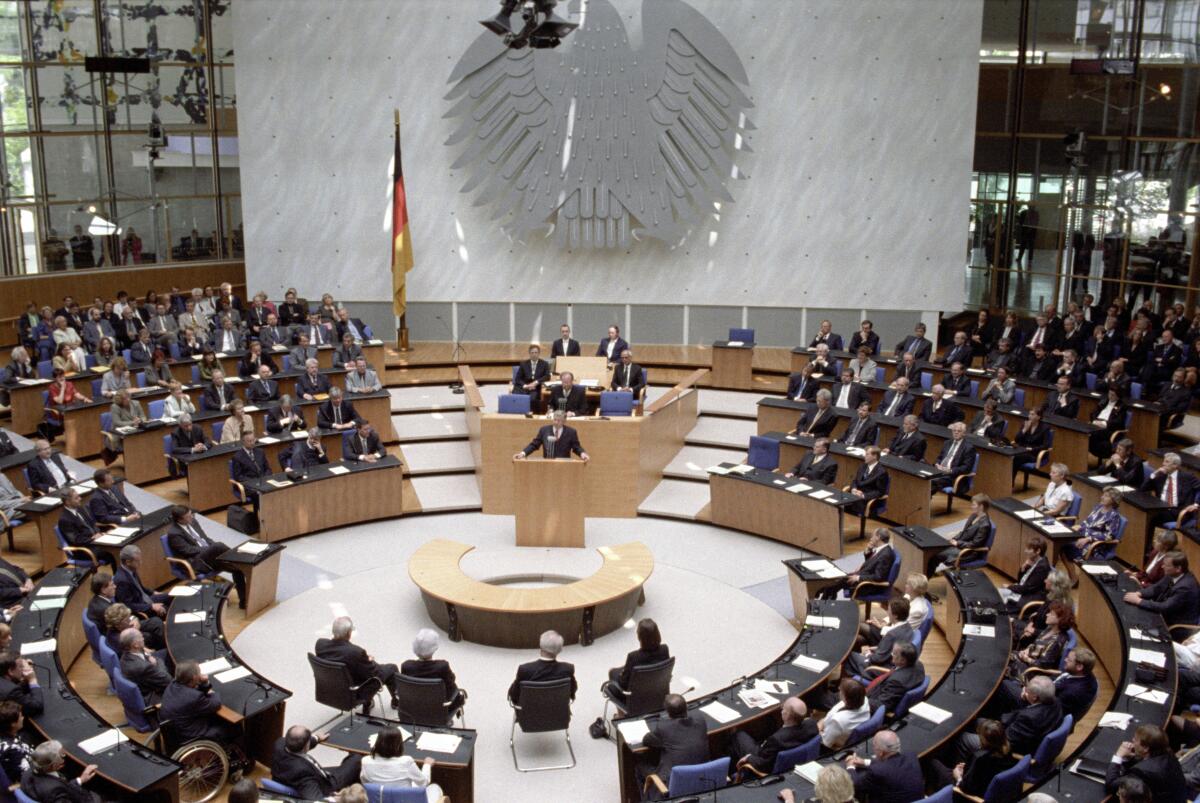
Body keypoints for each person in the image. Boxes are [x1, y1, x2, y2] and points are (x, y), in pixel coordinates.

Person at [316, 616, 403, 710]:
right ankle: (397, 702)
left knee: (359, 670)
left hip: (330, 690)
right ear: (349, 633)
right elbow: (374, 674)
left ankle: (369, 703)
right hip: (353, 693)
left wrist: (363, 660)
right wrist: (369, 661)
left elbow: (339, 657)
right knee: (391, 668)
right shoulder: (355, 652)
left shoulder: (320, 644)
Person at [165, 506, 246, 604]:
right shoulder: (174, 533)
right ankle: (241, 559)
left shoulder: (193, 521)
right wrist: (210, 549)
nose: (191, 517)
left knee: (237, 569)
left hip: (210, 556)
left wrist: (212, 547)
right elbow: (187, 550)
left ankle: (244, 601)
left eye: (191, 514)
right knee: (218, 546)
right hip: (195, 562)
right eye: (188, 516)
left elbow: (205, 538)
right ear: (179, 520)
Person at [639, 693, 708, 799]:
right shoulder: (700, 719)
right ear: (686, 707)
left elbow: (646, 740)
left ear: (668, 713)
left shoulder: (664, 727)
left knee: (639, 765)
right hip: (702, 777)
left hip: (672, 783)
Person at [729, 696, 816, 777]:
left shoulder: (777, 740)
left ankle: (733, 771)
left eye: (783, 708)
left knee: (738, 735)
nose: (781, 710)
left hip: (762, 757)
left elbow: (764, 764)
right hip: (793, 759)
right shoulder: (811, 725)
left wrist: (749, 758)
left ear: (787, 715)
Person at [929, 719, 1016, 797]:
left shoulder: (980, 758)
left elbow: (966, 788)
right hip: (991, 786)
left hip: (968, 794)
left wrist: (958, 776)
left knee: (933, 762)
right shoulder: (1007, 747)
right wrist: (968, 768)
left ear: (984, 740)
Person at [160, 661, 238, 746]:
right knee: (233, 726)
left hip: (176, 731)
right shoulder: (194, 697)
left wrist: (205, 683)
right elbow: (216, 704)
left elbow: (193, 693)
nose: (201, 674)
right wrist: (212, 693)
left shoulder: (173, 684)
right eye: (199, 672)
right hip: (192, 737)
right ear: (194, 678)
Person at [272, 725, 362, 799]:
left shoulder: (279, 744)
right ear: (306, 746)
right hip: (328, 785)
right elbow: (315, 800)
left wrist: (317, 738)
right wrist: (334, 798)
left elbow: (298, 743)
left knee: (348, 766)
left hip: (306, 773)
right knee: (357, 759)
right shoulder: (304, 776)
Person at [1105, 724, 1187, 803]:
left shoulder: (1142, 772)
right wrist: (1128, 758)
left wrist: (1118, 756)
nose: (1133, 740)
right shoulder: (1168, 754)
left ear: (1145, 748)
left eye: (1136, 739)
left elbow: (1112, 785)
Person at [359, 727, 443, 803]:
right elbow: (424, 782)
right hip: (405, 800)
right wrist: (427, 765)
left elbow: (365, 782)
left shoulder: (365, 761)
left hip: (379, 799)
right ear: (398, 745)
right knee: (435, 788)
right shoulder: (406, 762)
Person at [1123, 551, 1200, 628]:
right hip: (1163, 615)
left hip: (1176, 625)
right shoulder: (1172, 574)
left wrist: (1138, 601)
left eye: (1166, 565)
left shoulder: (1185, 587)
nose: (1162, 567)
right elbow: (1156, 588)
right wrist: (1139, 593)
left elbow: (1165, 607)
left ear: (1178, 568)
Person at [845, 729, 923, 803]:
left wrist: (850, 766)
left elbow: (856, 784)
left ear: (881, 753)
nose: (873, 749)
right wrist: (864, 762)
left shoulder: (877, 771)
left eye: (874, 746)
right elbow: (891, 765)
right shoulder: (911, 756)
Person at [604, 618, 669, 706]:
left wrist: (622, 674)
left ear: (639, 637)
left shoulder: (633, 657)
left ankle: (621, 714)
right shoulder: (664, 649)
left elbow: (623, 684)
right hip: (658, 691)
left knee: (612, 672)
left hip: (636, 698)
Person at [400, 629, 465, 713]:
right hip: (438, 713)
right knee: (458, 695)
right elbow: (451, 683)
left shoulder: (406, 666)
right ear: (434, 649)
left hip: (412, 712)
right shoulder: (442, 667)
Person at [818, 528, 893, 600]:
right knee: (835, 582)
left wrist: (858, 578)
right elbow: (873, 564)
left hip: (868, 586)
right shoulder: (882, 549)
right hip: (863, 576)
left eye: (873, 536)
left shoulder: (885, 555)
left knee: (835, 583)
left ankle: (822, 597)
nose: (871, 538)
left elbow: (878, 577)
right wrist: (868, 551)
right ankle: (826, 597)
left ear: (878, 537)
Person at [1063, 488, 1123, 577]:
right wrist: (1079, 527)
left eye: (1106, 496)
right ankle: (1073, 575)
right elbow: (1087, 522)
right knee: (1062, 542)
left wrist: (1089, 538)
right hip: (1083, 536)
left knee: (1066, 546)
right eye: (1103, 495)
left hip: (1095, 544)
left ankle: (1076, 577)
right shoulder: (1098, 507)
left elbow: (1109, 536)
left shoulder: (1114, 516)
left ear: (1114, 500)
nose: (1102, 497)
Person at [846, 597, 912, 676]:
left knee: (847, 654)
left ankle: (846, 682)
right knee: (860, 640)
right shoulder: (908, 627)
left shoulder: (892, 634)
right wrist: (877, 648)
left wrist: (868, 654)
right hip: (890, 659)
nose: (887, 612)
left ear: (895, 616)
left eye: (889, 610)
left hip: (881, 669)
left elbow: (877, 659)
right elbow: (890, 648)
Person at [859, 573, 929, 647]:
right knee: (858, 639)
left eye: (908, 584)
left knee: (859, 626)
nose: (905, 586)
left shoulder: (917, 610)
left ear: (914, 588)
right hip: (891, 628)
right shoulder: (908, 596)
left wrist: (881, 626)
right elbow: (897, 612)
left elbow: (902, 631)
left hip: (894, 639)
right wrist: (884, 622)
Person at [507, 630, 576, 703]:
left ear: (540, 646)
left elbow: (514, 695)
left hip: (529, 712)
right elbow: (572, 691)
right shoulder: (568, 669)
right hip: (558, 711)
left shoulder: (525, 669)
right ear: (560, 650)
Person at [21, 741, 99, 803]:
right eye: (62, 755)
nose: (64, 756)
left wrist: (80, 780)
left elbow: (64, 787)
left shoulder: (27, 773)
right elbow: (60, 789)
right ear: (53, 766)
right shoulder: (54, 790)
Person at [930, 494, 991, 574]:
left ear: (981, 506)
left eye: (974, 505)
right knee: (935, 549)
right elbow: (964, 532)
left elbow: (974, 544)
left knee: (936, 555)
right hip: (961, 545)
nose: (971, 506)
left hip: (968, 552)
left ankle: (925, 579)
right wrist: (954, 539)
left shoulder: (985, 525)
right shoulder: (973, 516)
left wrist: (957, 543)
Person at [1009, 600, 1072, 676]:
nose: (1047, 615)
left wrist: (1026, 658)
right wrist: (1026, 650)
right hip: (1025, 658)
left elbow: (1043, 665)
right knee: (1004, 652)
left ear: (1060, 619)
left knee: (1002, 663)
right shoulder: (1049, 628)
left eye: (1051, 614)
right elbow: (1035, 645)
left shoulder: (1056, 642)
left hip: (1031, 671)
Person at [114, 544, 169, 623]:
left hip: (145, 599)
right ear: (128, 562)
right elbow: (128, 605)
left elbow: (140, 588)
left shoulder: (131, 569)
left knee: (171, 596)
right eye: (138, 561)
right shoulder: (122, 581)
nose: (141, 562)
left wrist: (153, 592)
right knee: (167, 610)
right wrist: (151, 607)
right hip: (141, 607)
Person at [118, 629, 171, 705]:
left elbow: (147, 656)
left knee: (167, 652)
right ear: (135, 645)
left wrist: (151, 658)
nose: (143, 638)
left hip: (148, 677)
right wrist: (156, 663)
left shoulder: (127, 653)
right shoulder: (142, 667)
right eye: (141, 637)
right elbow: (168, 680)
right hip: (154, 695)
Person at [1141, 453, 1198, 523]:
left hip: (1178, 510)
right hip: (1161, 508)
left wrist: (1196, 504)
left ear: (1175, 465)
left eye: (1167, 462)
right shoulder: (1160, 476)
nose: (1163, 464)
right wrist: (1154, 474)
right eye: (1164, 461)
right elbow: (1143, 489)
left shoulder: (1187, 477)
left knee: (1149, 517)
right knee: (1143, 513)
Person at [514, 409, 589, 461]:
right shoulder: (544, 430)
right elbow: (534, 445)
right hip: (547, 463)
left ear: (564, 421)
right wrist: (523, 453)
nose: (556, 422)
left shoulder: (571, 432)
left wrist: (582, 454)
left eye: (559, 420)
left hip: (564, 465)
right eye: (555, 419)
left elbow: (576, 447)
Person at [999, 536, 1051, 610]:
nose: (1025, 551)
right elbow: (1020, 581)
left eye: (1029, 549)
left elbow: (1026, 589)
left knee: (998, 602)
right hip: (1023, 591)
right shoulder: (1034, 561)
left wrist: (1009, 587)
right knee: (997, 594)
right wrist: (1023, 568)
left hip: (1028, 598)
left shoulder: (1042, 568)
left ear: (1038, 551)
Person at [817, 678, 869, 750]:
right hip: (834, 728)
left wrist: (818, 728)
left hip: (832, 745)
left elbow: (825, 743)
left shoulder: (837, 721)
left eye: (841, 690)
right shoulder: (864, 700)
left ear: (846, 698)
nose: (838, 689)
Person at [1053, 647, 1099, 724]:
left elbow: (1052, 711)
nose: (1065, 660)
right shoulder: (1084, 673)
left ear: (1079, 667)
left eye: (1069, 660)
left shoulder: (1072, 692)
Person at [930, 422, 975, 493]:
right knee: (925, 476)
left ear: (964, 433)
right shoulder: (947, 443)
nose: (956, 433)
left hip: (953, 476)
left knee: (933, 481)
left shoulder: (969, 448)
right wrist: (937, 464)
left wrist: (950, 470)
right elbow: (940, 457)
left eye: (959, 431)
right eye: (954, 430)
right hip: (939, 471)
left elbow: (966, 468)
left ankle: (924, 501)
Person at [846, 446, 888, 517]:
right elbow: (855, 481)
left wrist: (863, 495)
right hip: (856, 493)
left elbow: (880, 492)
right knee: (842, 499)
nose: (864, 456)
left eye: (867, 454)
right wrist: (854, 489)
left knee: (852, 504)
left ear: (875, 456)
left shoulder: (882, 472)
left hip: (867, 498)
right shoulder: (863, 466)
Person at [0, 701, 32, 787]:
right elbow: (27, 777)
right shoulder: (13, 750)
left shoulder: (6, 735)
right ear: (13, 724)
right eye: (20, 716)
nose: (22, 717)